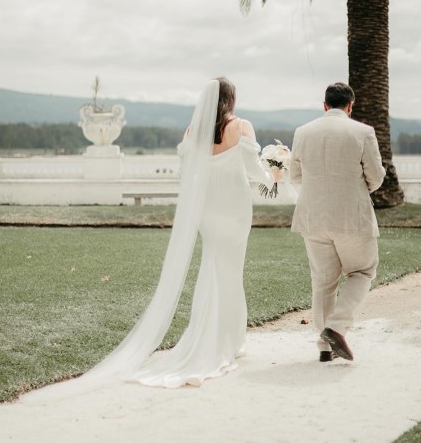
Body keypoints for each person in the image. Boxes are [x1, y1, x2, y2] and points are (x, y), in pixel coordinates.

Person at [21, 77, 276, 402]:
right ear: (231, 99)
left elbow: (189, 173)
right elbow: (253, 170)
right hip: (235, 209)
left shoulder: (192, 132)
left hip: (208, 212)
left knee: (213, 265)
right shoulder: (241, 126)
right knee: (230, 270)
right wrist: (274, 173)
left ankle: (219, 337)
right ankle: (228, 340)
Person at [289, 82, 386, 363]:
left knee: (323, 281)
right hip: (352, 216)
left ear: (324, 105)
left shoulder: (302, 132)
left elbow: (296, 176)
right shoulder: (363, 132)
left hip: (312, 216)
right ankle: (336, 326)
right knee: (363, 272)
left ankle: (324, 344)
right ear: (350, 106)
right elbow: (376, 178)